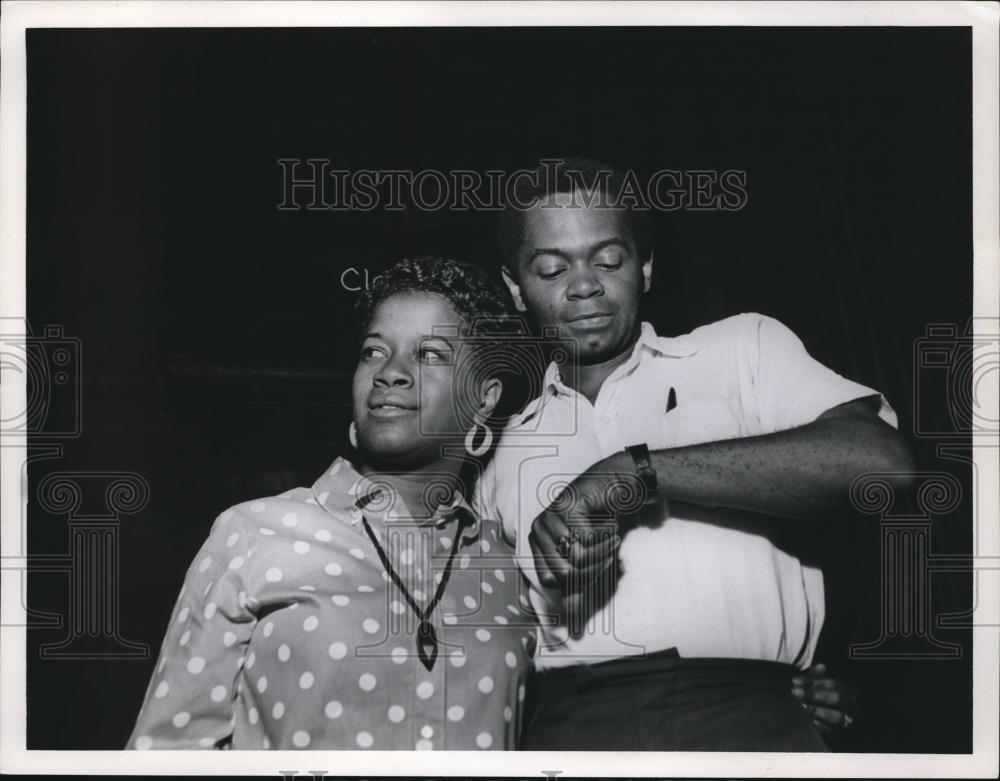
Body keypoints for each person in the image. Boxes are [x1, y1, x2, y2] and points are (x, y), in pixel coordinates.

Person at [474, 159, 910, 750]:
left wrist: (632, 473)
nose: (583, 285)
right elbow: (492, 649)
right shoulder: (502, 453)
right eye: (551, 269)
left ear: (647, 266)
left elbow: (883, 465)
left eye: (608, 260)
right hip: (572, 732)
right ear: (515, 288)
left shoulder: (740, 351)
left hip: (751, 721)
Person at [128, 257, 536, 750]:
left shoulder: (507, 562)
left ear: (485, 395)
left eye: (429, 354)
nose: (391, 373)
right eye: (373, 352)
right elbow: (169, 750)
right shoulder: (257, 534)